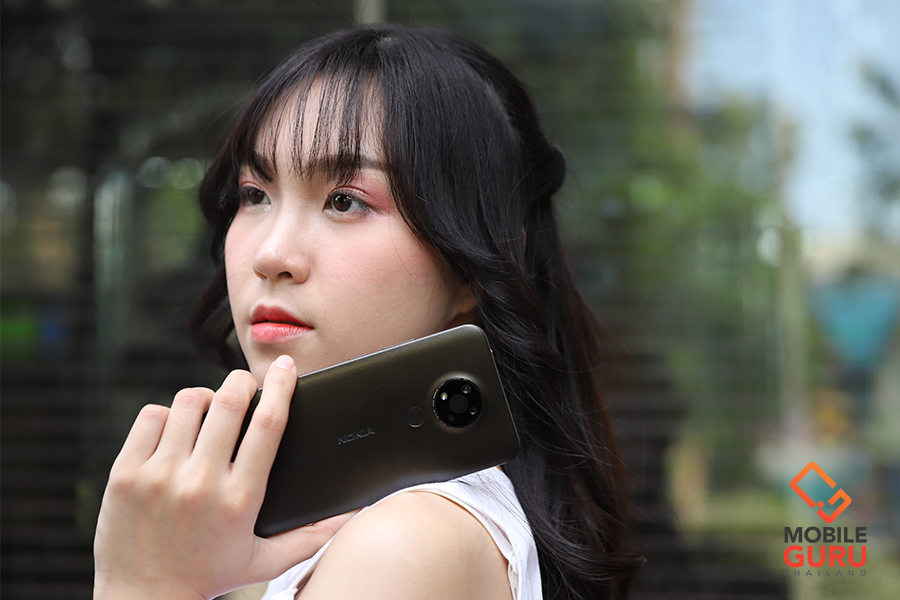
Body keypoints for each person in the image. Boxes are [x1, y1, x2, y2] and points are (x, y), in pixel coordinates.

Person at [92, 24, 643, 600]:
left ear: (471, 267)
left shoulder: (405, 546)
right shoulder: (323, 524)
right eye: (255, 194)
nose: (271, 255)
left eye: (344, 200)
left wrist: (144, 584)